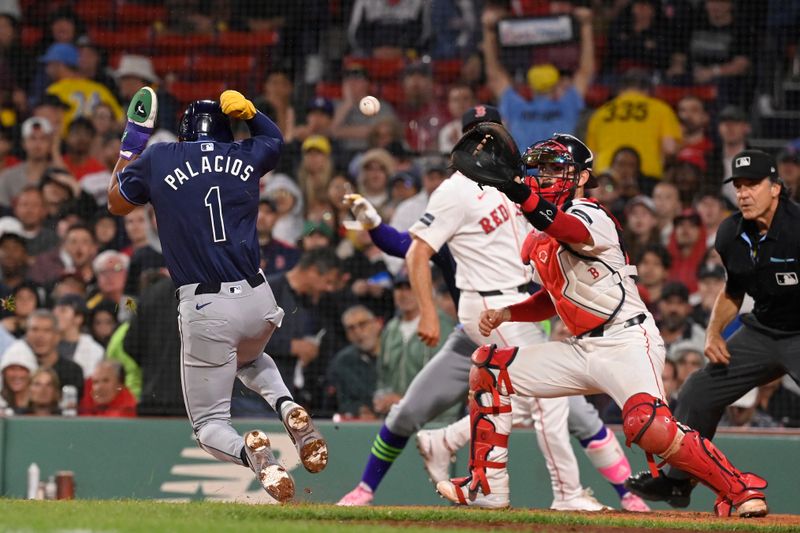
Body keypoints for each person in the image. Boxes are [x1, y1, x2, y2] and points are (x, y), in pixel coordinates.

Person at [436, 132, 767, 517]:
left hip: (627, 339)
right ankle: (487, 486)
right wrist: (510, 313)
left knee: (648, 425)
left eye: (556, 167)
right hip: (580, 348)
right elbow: (556, 297)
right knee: (490, 367)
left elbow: (568, 230)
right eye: (541, 167)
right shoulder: (538, 231)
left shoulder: (590, 213)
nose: (545, 175)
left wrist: (517, 192)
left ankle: (740, 489)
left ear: (581, 177)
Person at [338, 119, 648, 512]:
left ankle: (446, 441)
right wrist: (377, 230)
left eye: (494, 135)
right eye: (479, 137)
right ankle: (566, 494)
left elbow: (558, 218)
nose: (487, 144)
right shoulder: (455, 193)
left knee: (552, 402)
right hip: (485, 313)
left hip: (516, 310)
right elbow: (411, 248)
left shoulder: (514, 183)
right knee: (538, 403)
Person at [106, 87, 328, 502]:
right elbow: (276, 143)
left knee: (208, 426)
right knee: (250, 358)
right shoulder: (245, 154)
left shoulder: (160, 157)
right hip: (259, 298)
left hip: (207, 306)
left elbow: (116, 204)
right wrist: (255, 112)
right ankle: (286, 406)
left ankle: (255, 456)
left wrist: (132, 143)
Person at [626, 149, 799, 513]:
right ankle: (677, 481)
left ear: (776, 188)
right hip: (763, 332)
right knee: (698, 391)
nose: (744, 193)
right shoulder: (731, 233)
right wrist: (713, 333)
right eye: (738, 186)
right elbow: (734, 289)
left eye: (753, 184)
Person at [481, 4, 594, 149]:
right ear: (556, 85)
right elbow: (586, 71)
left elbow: (494, 75)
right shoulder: (567, 104)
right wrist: (586, 25)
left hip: (524, 170)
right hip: (560, 170)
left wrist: (489, 31)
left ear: (530, 85)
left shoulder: (517, 107)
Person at [327, 305, 382, 419]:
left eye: (363, 324)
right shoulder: (342, 362)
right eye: (351, 328)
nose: (357, 332)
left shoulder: (395, 354)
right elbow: (341, 401)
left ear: (377, 324)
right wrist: (358, 410)